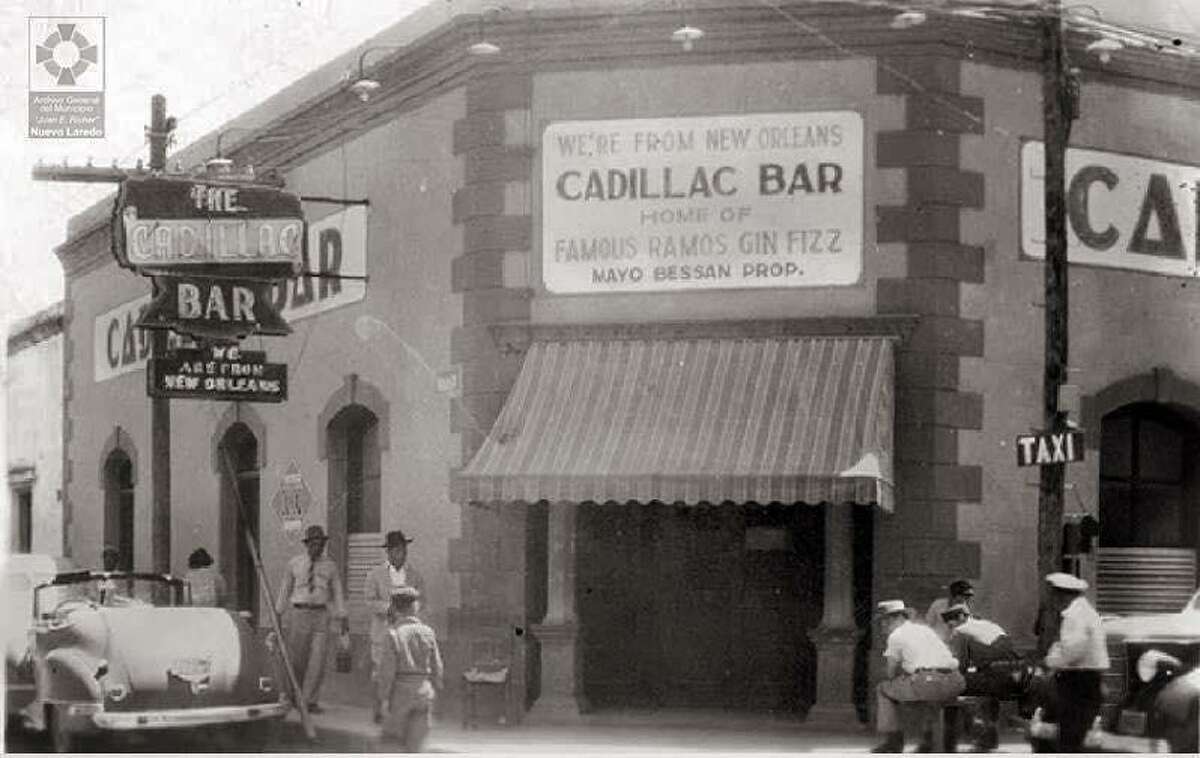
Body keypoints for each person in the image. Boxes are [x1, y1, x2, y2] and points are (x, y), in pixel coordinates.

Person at [873, 599, 966, 753]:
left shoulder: (896, 635)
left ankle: (893, 741)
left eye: (885, 620)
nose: (883, 625)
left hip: (927, 682)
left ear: (898, 618)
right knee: (930, 694)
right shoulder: (925, 630)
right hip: (955, 681)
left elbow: (890, 673)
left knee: (883, 689)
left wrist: (901, 674)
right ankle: (931, 740)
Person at [274, 525, 348, 714]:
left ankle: (310, 701)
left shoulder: (330, 566)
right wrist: (278, 613)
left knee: (318, 660)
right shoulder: (294, 563)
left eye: (320, 543)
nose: (317, 547)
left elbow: (337, 592)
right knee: (297, 660)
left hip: (321, 615)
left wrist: (342, 616)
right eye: (313, 543)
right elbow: (285, 589)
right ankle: (292, 695)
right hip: (299, 613)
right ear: (307, 544)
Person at [941, 603, 1028, 750]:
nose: (950, 627)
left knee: (958, 689)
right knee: (986, 691)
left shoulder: (961, 631)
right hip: (1014, 675)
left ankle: (972, 738)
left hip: (994, 676)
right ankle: (991, 736)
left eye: (951, 623)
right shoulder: (989, 625)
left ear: (961, 617)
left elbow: (961, 664)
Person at [365, 529, 427, 723]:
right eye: (397, 550)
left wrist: (411, 614)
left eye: (404, 550)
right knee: (380, 673)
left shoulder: (414, 575)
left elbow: (422, 600)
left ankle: (398, 712)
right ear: (389, 552)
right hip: (383, 632)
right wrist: (388, 609)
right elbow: (369, 601)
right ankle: (378, 711)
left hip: (405, 634)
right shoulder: (375, 575)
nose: (401, 554)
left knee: (403, 673)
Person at [1043, 571, 1108, 753]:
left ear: (1062, 594)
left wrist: (1051, 661)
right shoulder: (1088, 613)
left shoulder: (1074, 616)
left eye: (1054, 595)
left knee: (1070, 736)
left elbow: (1072, 650)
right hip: (1088, 678)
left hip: (1077, 680)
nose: (1052, 600)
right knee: (1078, 733)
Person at [376, 586, 443, 752]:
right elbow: (437, 667)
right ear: (415, 607)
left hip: (400, 694)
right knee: (415, 747)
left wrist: (383, 699)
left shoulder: (393, 634)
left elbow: (387, 672)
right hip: (423, 692)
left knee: (392, 746)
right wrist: (435, 689)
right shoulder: (428, 632)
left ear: (395, 608)